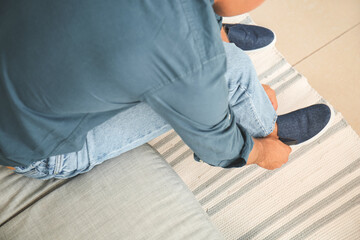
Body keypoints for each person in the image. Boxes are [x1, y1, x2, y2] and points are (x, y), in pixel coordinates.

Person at [0, 0, 331, 179]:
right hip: (34, 150)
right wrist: (260, 153)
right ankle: (266, 127)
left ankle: (217, 32)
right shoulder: (189, 57)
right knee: (234, 71)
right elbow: (218, 146)